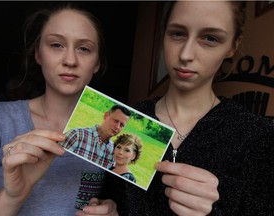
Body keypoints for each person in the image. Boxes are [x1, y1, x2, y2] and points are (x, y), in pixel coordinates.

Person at [101, 1, 274, 215]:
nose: (186, 54)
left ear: (233, 45)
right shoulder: (128, 120)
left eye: (210, 38)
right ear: (164, 34)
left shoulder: (259, 136)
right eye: (177, 34)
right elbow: (112, 196)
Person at [0, 3, 118, 216]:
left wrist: (111, 209)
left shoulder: (110, 132)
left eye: (84, 48)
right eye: (56, 45)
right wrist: (12, 197)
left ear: (97, 63)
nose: (70, 61)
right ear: (38, 54)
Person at [59, 104, 131, 169]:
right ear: (106, 116)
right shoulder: (77, 135)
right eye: (115, 121)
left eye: (121, 125)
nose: (117, 127)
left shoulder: (114, 151)